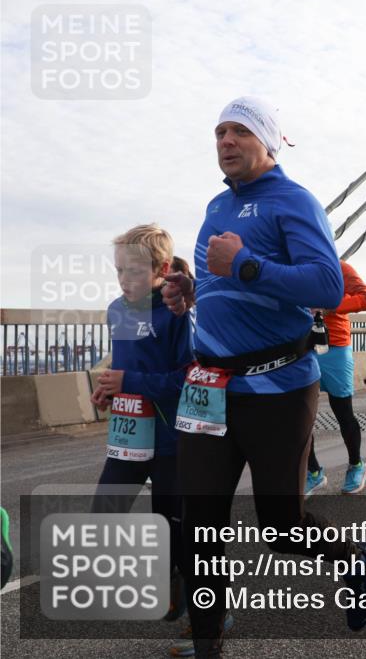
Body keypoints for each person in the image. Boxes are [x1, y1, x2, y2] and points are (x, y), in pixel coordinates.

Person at [162, 96, 366, 655]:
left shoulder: (294, 201)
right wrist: (189, 294)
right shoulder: (215, 207)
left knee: (281, 526)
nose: (226, 142)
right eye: (219, 133)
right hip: (210, 388)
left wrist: (245, 265)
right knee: (199, 523)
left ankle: (353, 559)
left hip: (278, 386)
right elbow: (219, 282)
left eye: (238, 131)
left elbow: (326, 288)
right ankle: (209, 642)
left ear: (267, 141)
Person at [89, 224, 194, 634]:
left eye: (133, 271)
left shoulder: (177, 313)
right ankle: (164, 579)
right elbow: (124, 367)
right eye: (118, 271)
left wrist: (129, 381)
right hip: (128, 439)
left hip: (170, 441)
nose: (123, 281)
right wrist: (109, 391)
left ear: (161, 269)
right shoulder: (116, 310)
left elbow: (188, 379)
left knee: (174, 532)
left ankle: (204, 607)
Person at [305, 260, 366, 496]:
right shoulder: (290, 267)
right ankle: (313, 472)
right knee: (302, 416)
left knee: (343, 412)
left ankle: (356, 464)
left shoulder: (340, 267)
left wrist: (328, 307)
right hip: (301, 350)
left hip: (334, 348)